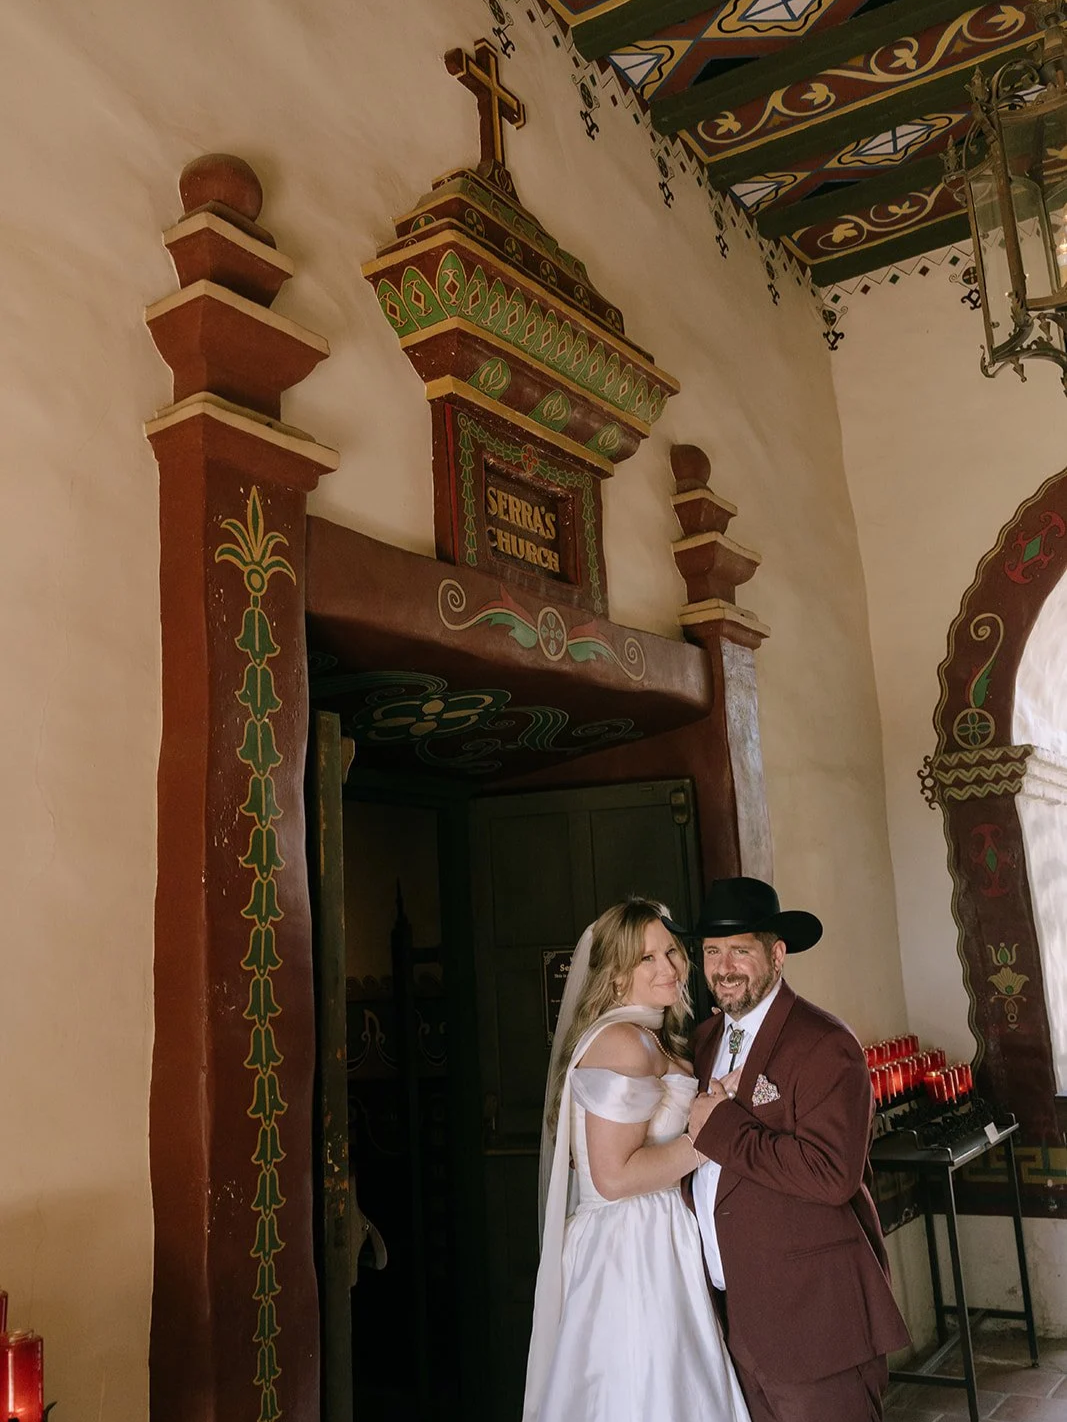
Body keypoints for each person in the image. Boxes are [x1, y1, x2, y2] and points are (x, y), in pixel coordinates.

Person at [673, 876, 911, 1422]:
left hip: (814, 1322)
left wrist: (723, 1129)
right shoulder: (704, 1040)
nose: (723, 966)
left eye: (740, 950)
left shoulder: (825, 1043)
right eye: (711, 951)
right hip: (734, 1321)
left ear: (777, 955)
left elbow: (832, 1175)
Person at [523, 897, 750, 1422]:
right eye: (646, 958)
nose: (668, 967)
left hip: (658, 1236)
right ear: (615, 975)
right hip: (627, 1253)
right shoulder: (621, 1042)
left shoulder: (651, 1035)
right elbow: (613, 1175)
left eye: (671, 951)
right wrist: (709, 1129)